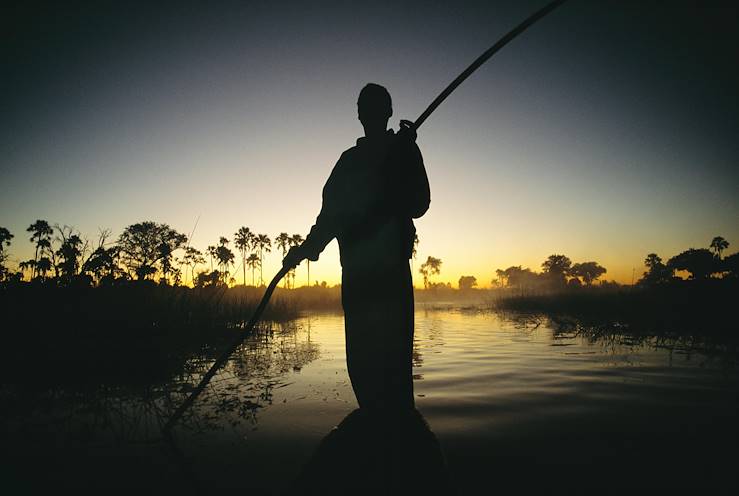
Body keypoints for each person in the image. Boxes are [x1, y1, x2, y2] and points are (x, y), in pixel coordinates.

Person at [283, 83, 430, 412]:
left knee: (394, 368)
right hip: (359, 275)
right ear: (359, 115)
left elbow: (419, 203)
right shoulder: (348, 162)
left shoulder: (403, 151)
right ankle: (374, 436)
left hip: (391, 273)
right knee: (363, 368)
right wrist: (306, 249)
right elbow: (328, 219)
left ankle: (396, 437)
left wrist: (405, 158)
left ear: (388, 112)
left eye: (378, 106)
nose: (372, 113)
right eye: (367, 107)